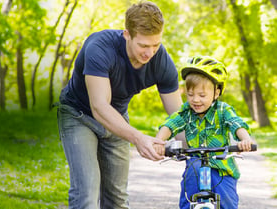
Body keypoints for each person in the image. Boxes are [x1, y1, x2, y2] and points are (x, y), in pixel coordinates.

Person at [56, 1, 183, 208]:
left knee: (117, 200)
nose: (149, 53)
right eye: (143, 45)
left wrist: (204, 148)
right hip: (78, 115)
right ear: (127, 35)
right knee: (86, 195)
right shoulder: (100, 47)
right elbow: (99, 107)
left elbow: (180, 117)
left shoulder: (162, 62)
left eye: (155, 45)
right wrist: (139, 139)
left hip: (117, 118)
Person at [155, 56, 254, 209]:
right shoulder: (186, 112)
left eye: (202, 95)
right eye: (190, 94)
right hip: (195, 164)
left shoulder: (222, 110)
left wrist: (245, 139)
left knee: (228, 202)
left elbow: (236, 124)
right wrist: (159, 141)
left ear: (216, 93)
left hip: (222, 167)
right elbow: (170, 124)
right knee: (187, 198)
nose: (195, 100)